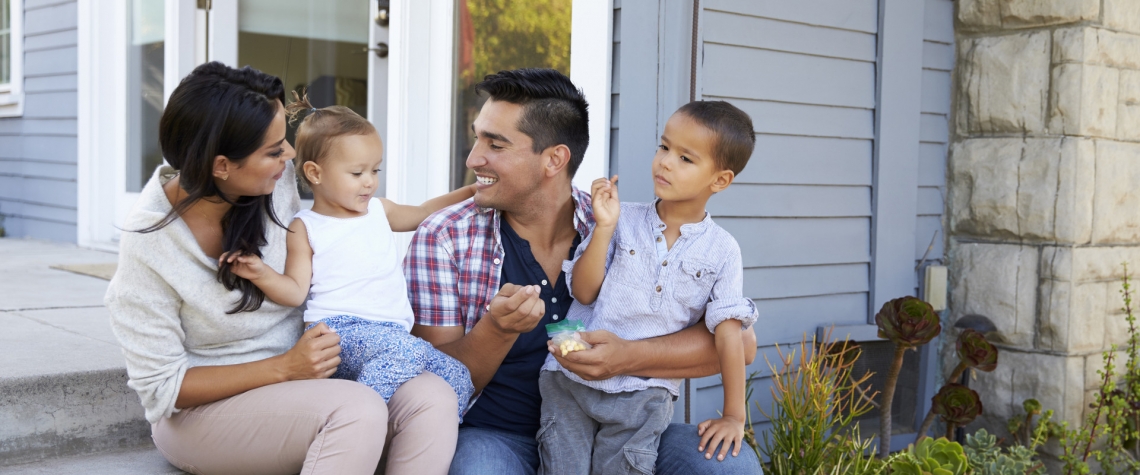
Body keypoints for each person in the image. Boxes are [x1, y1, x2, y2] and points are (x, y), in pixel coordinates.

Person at [105, 62, 458, 474]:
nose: (289, 156)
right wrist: (285, 367)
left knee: (433, 396)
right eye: (274, 150)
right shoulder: (149, 243)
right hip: (207, 412)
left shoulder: (275, 182)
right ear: (221, 166)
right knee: (356, 408)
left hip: (310, 379)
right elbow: (163, 388)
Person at [405, 68, 762, 475]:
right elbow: (433, 381)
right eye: (477, 138)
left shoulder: (613, 224)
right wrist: (497, 330)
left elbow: (742, 345)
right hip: (501, 433)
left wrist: (627, 358)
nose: (473, 158)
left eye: (495, 144)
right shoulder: (444, 237)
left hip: (620, 420)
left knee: (728, 466)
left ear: (554, 159)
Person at [221, 93, 477, 422]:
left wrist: (470, 193)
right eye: (357, 173)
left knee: (459, 377)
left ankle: (412, 435)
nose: (370, 181)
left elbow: (424, 212)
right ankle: (360, 424)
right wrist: (259, 273)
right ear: (315, 173)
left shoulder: (379, 211)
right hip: (339, 334)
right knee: (405, 351)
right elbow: (295, 292)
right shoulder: (307, 227)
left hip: (390, 335)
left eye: (375, 170)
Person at [537, 101, 759, 474]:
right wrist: (605, 227)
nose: (665, 162)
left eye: (686, 159)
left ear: (719, 180)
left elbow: (730, 335)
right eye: (664, 147)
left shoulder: (723, 250)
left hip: (645, 394)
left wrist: (735, 416)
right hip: (571, 373)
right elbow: (583, 292)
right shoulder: (623, 219)